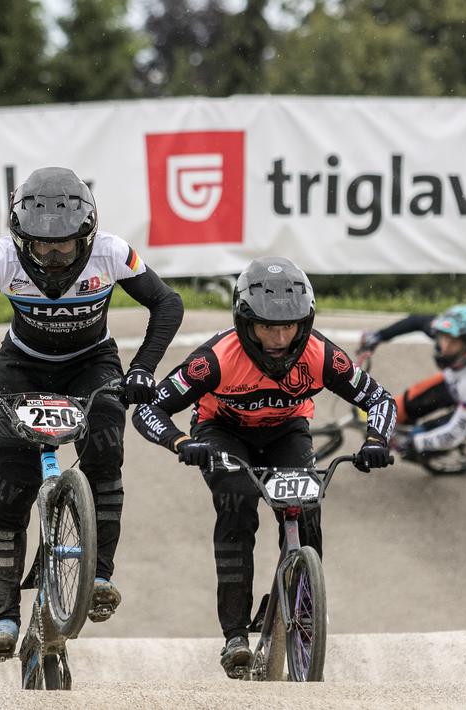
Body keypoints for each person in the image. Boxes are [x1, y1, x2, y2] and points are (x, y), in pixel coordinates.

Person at [0, 166, 184, 658]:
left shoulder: (113, 252)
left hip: (92, 365)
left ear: (87, 236)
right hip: (22, 370)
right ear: (20, 238)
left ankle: (100, 575)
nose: (54, 258)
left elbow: (167, 303)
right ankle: (4, 615)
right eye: (42, 246)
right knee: (9, 496)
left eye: (66, 247)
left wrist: (142, 369)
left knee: (104, 455)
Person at [130, 257, 396, 679]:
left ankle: (301, 604)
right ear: (245, 323)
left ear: (305, 321)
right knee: (237, 502)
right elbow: (149, 409)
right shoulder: (215, 358)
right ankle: (234, 634)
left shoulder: (322, 355)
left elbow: (381, 400)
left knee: (307, 505)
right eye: (268, 327)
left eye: (289, 325)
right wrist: (181, 441)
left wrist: (376, 442)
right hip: (221, 432)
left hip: (286, 432)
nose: (279, 337)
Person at [358, 303, 466, 458]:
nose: (444, 347)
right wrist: (379, 336)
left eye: (453, 342)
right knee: (405, 403)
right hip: (457, 378)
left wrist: (417, 443)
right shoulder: (447, 329)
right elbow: (416, 321)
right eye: (443, 338)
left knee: (423, 436)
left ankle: (425, 452)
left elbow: (453, 433)